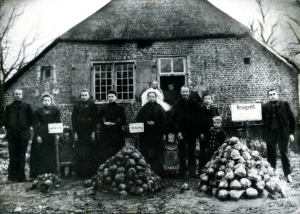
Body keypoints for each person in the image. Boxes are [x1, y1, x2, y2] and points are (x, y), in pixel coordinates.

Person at [262, 89, 296, 183]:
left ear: (277, 95)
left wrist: (291, 133)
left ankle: (287, 174)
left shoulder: (284, 104)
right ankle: (272, 174)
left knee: (284, 154)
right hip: (271, 134)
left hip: (282, 134)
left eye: (274, 94)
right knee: (271, 154)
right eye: (270, 95)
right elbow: (263, 122)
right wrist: (264, 135)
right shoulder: (265, 106)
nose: (272, 96)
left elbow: (292, 119)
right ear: (268, 96)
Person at [170, 86, 201, 178]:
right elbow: (173, 119)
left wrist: (197, 131)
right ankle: (182, 172)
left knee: (191, 152)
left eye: (186, 92)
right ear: (180, 92)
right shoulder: (176, 104)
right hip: (181, 132)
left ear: (189, 92)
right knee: (182, 152)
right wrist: (178, 132)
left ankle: (192, 172)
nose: (185, 94)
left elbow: (198, 117)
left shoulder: (195, 104)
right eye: (183, 92)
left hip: (192, 132)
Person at [3, 89, 33, 182]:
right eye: (16, 94)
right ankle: (12, 177)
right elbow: (5, 120)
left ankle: (21, 176)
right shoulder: (9, 107)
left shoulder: (27, 106)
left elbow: (31, 119)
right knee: (13, 155)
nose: (17, 95)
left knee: (21, 155)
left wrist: (26, 127)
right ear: (13, 95)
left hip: (23, 135)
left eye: (19, 94)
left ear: (22, 95)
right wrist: (10, 128)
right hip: (12, 135)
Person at [136, 89, 166, 176]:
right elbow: (139, 119)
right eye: (150, 97)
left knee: (157, 152)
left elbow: (164, 120)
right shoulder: (144, 108)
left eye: (153, 97)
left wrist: (155, 123)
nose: (151, 98)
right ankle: (147, 171)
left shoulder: (159, 108)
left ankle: (158, 171)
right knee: (146, 152)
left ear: (156, 98)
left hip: (157, 134)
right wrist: (146, 123)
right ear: (148, 98)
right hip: (146, 134)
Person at [30, 93, 61, 178]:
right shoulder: (37, 112)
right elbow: (35, 124)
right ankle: (39, 172)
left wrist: (57, 134)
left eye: (48, 100)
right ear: (42, 102)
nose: (46, 102)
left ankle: (52, 171)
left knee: (51, 152)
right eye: (45, 100)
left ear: (51, 101)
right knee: (40, 152)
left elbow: (58, 122)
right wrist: (38, 135)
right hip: (42, 133)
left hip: (51, 134)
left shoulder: (56, 111)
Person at [72, 89, 99, 177]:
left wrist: (93, 132)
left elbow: (95, 120)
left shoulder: (93, 106)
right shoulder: (76, 106)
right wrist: (75, 132)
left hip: (89, 129)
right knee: (80, 151)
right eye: (82, 95)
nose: (84, 97)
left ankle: (91, 172)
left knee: (90, 151)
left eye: (85, 95)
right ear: (80, 96)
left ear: (89, 96)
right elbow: (73, 120)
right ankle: (80, 172)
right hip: (80, 130)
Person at [98, 90, 127, 164]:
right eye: (109, 97)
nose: (111, 98)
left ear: (115, 97)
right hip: (106, 131)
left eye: (112, 96)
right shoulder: (103, 107)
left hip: (116, 131)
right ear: (107, 98)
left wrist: (115, 124)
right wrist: (104, 123)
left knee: (116, 148)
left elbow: (124, 120)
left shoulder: (120, 108)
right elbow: (98, 118)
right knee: (105, 149)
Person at [198, 92, 220, 174]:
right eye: (206, 99)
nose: (207, 100)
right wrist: (200, 133)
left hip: (213, 134)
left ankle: (211, 170)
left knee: (212, 151)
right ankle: (201, 171)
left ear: (211, 100)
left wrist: (217, 129)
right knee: (203, 151)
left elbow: (218, 120)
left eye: (209, 99)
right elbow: (197, 123)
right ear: (203, 100)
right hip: (204, 134)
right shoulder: (200, 109)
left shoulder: (214, 109)